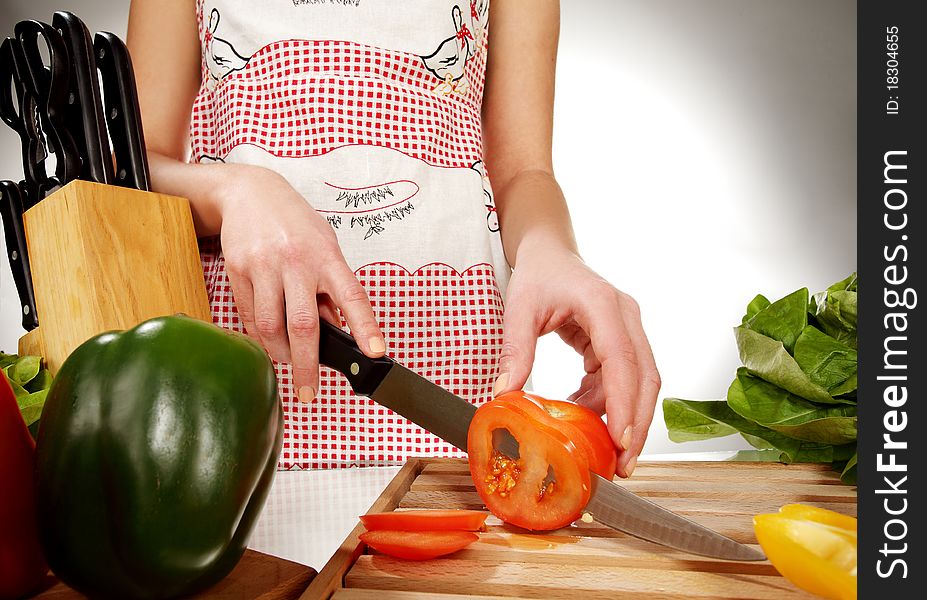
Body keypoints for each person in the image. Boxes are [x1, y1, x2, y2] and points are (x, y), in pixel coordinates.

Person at [127, 0, 659, 476]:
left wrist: (552, 249)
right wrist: (234, 190)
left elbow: (523, 171)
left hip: (456, 385)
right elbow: (134, 170)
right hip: (240, 395)